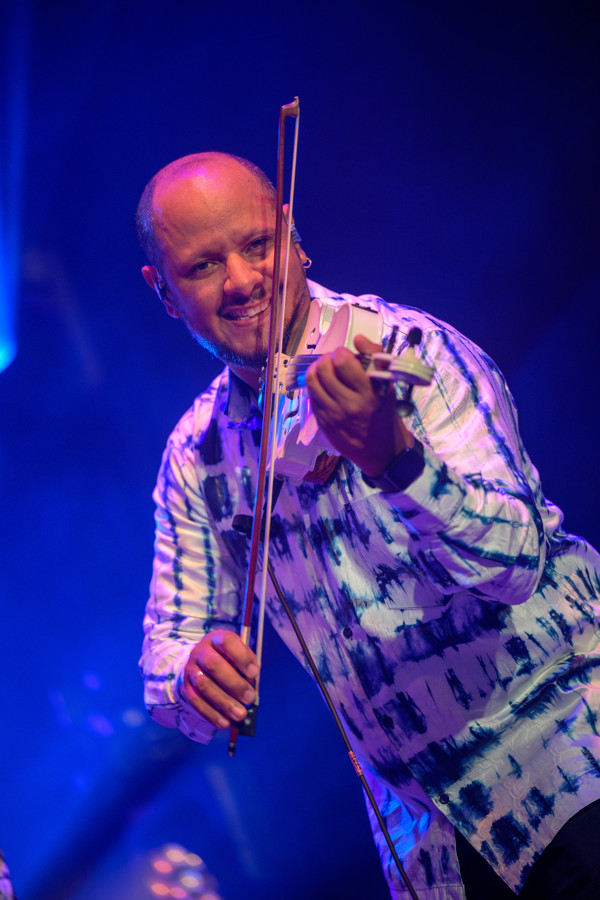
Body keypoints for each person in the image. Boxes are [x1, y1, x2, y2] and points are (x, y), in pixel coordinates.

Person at [137, 152, 600, 899]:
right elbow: (167, 650)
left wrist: (399, 464)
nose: (243, 280)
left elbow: (518, 562)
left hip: (567, 759)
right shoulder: (197, 457)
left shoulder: (411, 350)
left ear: (293, 237)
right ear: (163, 292)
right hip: (430, 847)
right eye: (203, 266)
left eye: (257, 245)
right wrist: (191, 676)